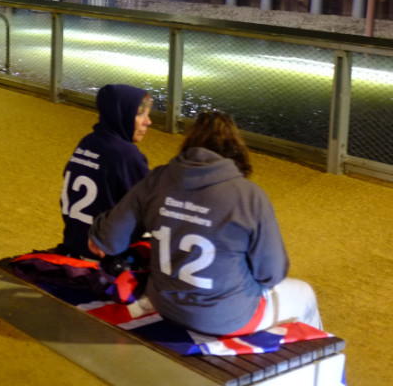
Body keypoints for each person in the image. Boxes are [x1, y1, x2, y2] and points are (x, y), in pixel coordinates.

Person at [88, 110, 322, 336]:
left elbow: (110, 240)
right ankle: (318, 365)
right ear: (235, 150)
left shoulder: (157, 180)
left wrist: (100, 229)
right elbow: (271, 274)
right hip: (227, 317)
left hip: (166, 305)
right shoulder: (249, 195)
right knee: (305, 293)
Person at [56, 84, 153, 260]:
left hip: (73, 243)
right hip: (103, 254)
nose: (148, 121)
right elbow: (153, 205)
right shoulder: (127, 155)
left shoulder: (87, 142)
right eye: (140, 115)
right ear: (120, 116)